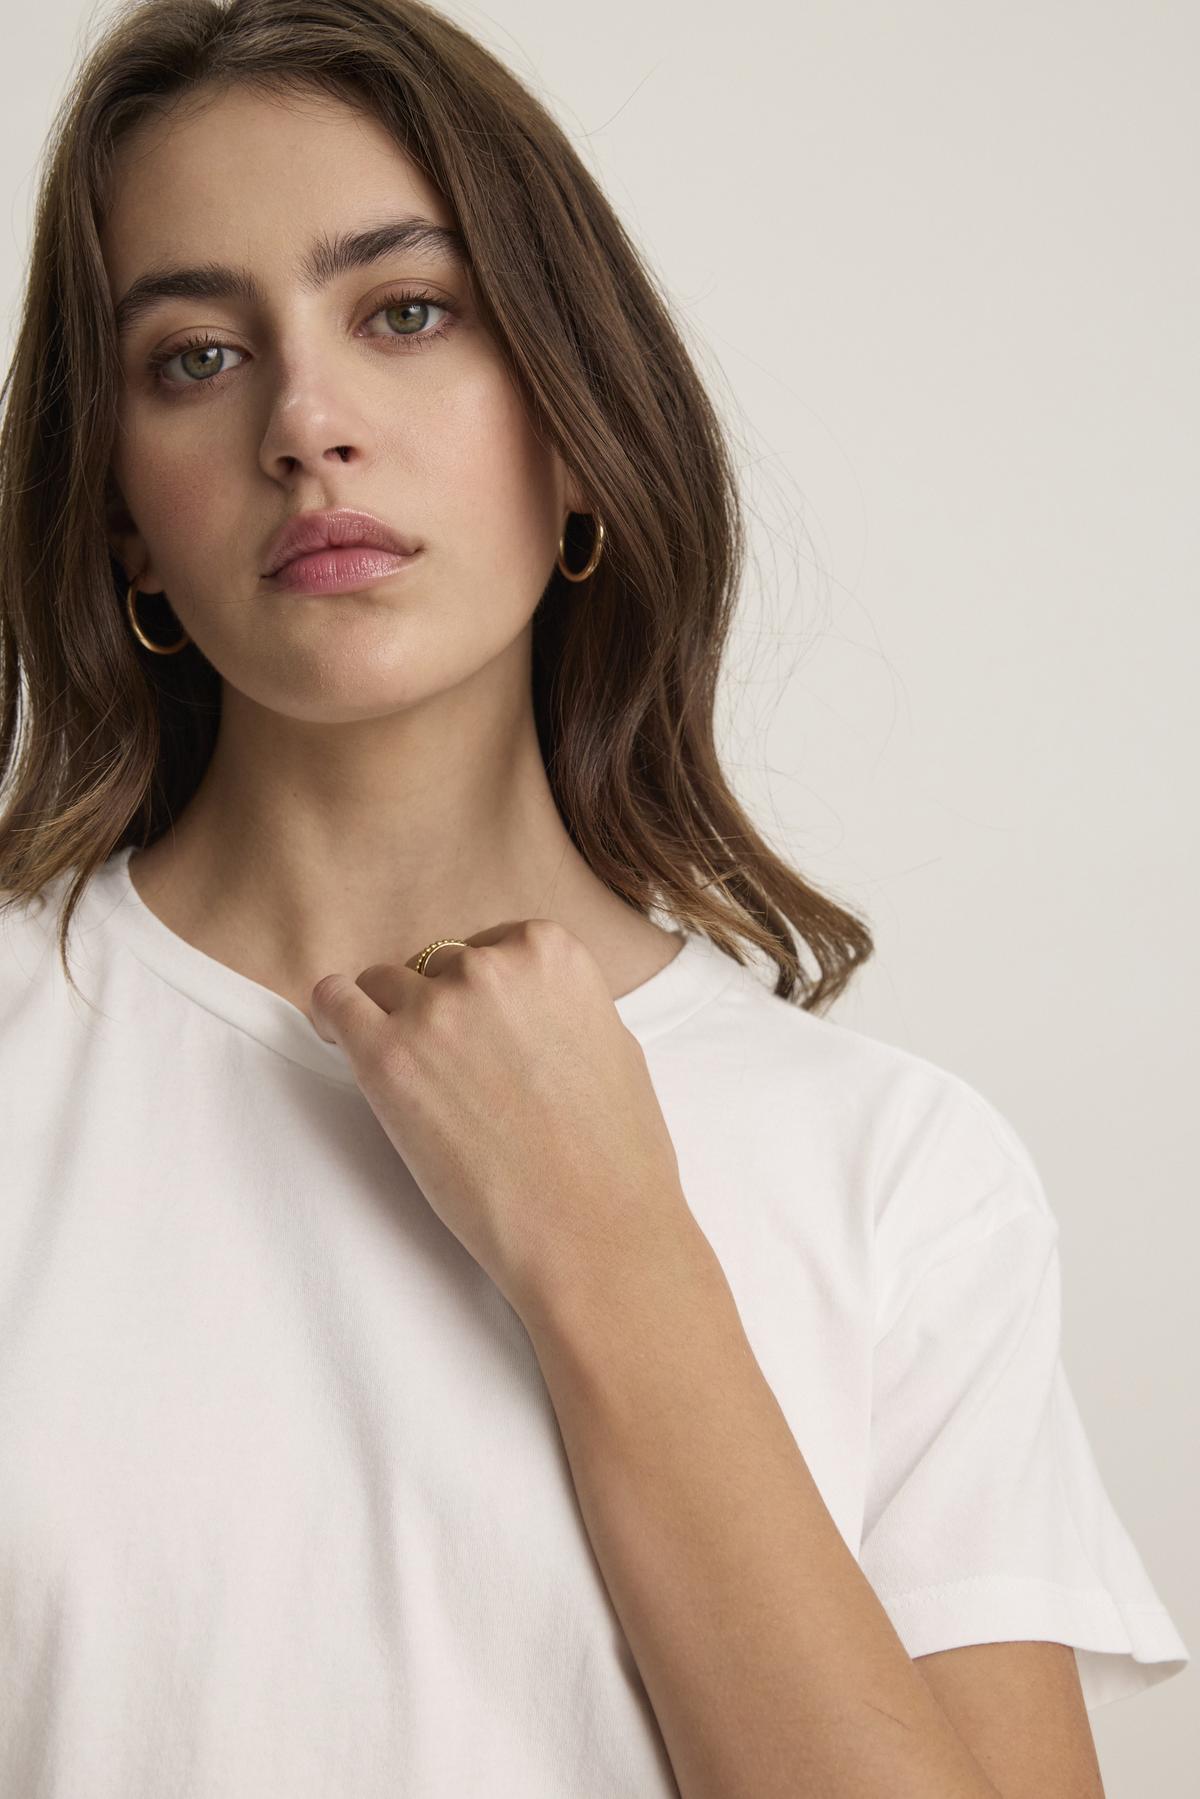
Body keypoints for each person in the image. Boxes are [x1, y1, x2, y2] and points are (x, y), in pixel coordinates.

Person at [0, 2, 1188, 1795]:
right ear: (117, 519)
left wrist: (613, 1258)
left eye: (405, 312)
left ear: (573, 425)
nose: (308, 422)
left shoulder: (896, 1182)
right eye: (193, 356)